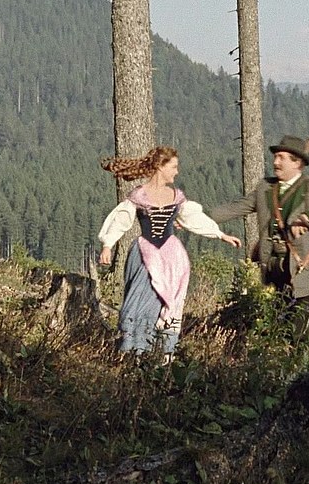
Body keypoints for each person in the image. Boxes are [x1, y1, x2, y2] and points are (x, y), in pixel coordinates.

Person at [98, 146, 242, 358]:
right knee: (137, 303)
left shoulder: (176, 197)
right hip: (145, 254)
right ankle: (135, 352)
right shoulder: (139, 195)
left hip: (171, 258)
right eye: (173, 167)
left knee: (169, 304)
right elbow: (121, 220)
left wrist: (220, 234)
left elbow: (193, 218)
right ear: (160, 167)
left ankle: (163, 354)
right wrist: (108, 245)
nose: (177, 171)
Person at [209, 135, 309, 335]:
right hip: (276, 271)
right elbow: (233, 209)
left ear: (297, 162)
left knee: (298, 332)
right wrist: (194, 218)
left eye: (281, 158)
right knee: (279, 330)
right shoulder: (266, 187)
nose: (275, 162)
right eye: (275, 157)